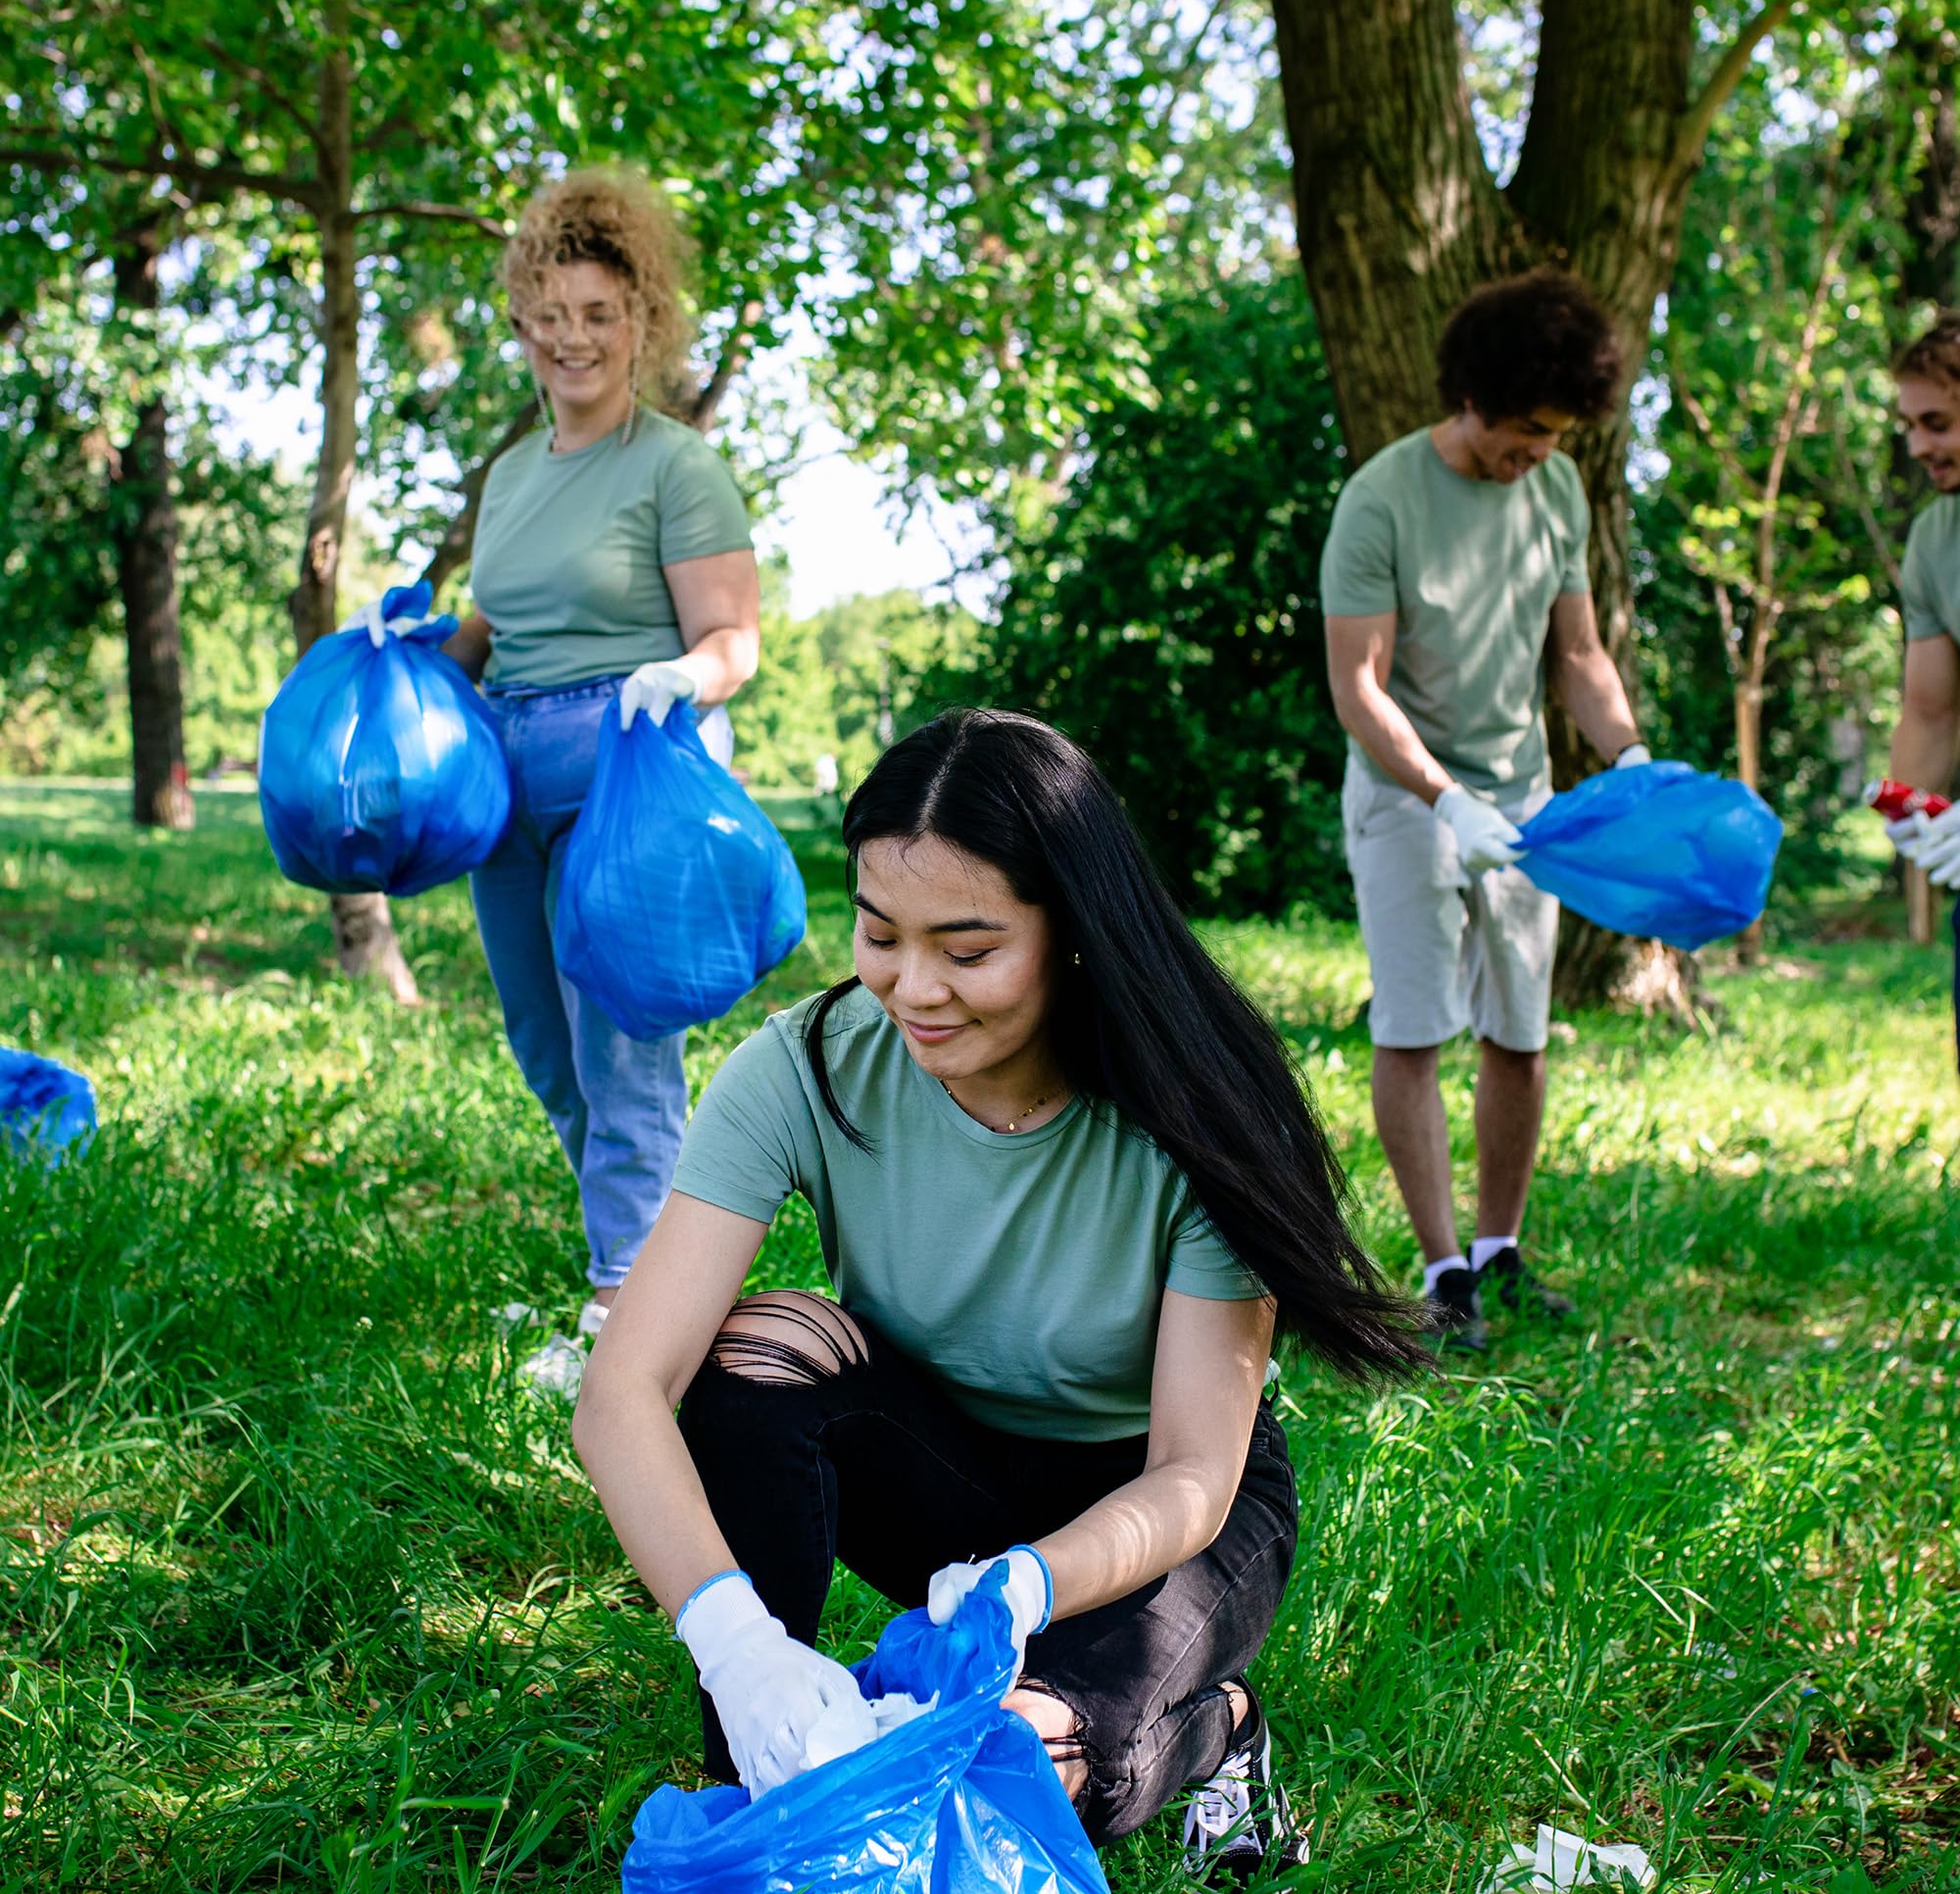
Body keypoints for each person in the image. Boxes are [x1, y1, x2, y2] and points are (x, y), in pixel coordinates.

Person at [572, 708, 1429, 1879]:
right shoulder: (802, 1066)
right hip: (951, 1474)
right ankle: (764, 1790)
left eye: (967, 950)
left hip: (1165, 1509)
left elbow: (1191, 1470)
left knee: (1024, 1764)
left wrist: (1033, 1581)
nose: (911, 987)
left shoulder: (1198, 1111)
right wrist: (735, 1644)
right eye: (879, 933)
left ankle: (1217, 1726)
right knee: (760, 1343)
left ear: (1072, 933)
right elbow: (623, 1388)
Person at [350, 169, 760, 1379]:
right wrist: (424, 648)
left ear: (642, 320)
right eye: (551, 311)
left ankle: (627, 1321)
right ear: (520, 319)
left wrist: (679, 682)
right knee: (546, 1043)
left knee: (621, 1048)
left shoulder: (676, 466)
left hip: (626, 768)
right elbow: (497, 622)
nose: (574, 337)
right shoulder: (516, 474)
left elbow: (732, 639)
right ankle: (654, 1264)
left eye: (600, 311)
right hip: (505, 776)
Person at [1321, 270, 1647, 1351]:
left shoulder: (1553, 493)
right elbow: (1357, 687)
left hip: (1521, 798)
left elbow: (1580, 656)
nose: (1536, 452)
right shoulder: (1379, 498)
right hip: (1405, 791)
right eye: (1522, 430)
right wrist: (1442, 798)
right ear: (1469, 398)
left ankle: (1500, 1252)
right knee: (1412, 1027)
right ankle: (1441, 1268)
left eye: (1555, 434)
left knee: (1518, 1028)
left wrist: (1630, 757)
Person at [1878, 316, 1960, 1056]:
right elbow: (1932, 712)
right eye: (1909, 425)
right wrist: (1911, 811)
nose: (1918, 447)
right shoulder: (1935, 539)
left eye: (1937, 423)